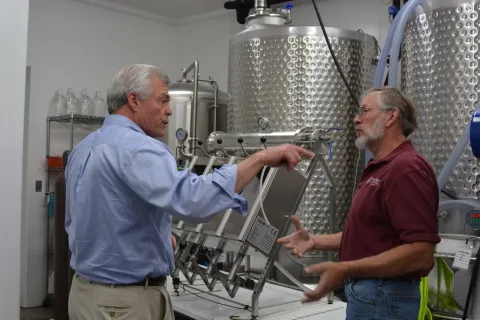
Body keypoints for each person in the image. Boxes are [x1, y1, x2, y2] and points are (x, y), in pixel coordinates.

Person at [65, 64, 314, 320]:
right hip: (124, 305)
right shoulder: (140, 148)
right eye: (162, 100)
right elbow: (192, 201)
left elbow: (84, 221)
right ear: (133, 101)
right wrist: (259, 159)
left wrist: (157, 236)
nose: (169, 110)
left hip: (84, 295)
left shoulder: (83, 149)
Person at [278, 86, 440, 319]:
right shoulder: (382, 167)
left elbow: (420, 253)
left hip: (384, 298)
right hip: (372, 297)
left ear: (391, 116)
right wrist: (314, 241)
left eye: (364, 111)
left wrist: (345, 268)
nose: (356, 119)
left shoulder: (405, 168)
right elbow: (369, 237)